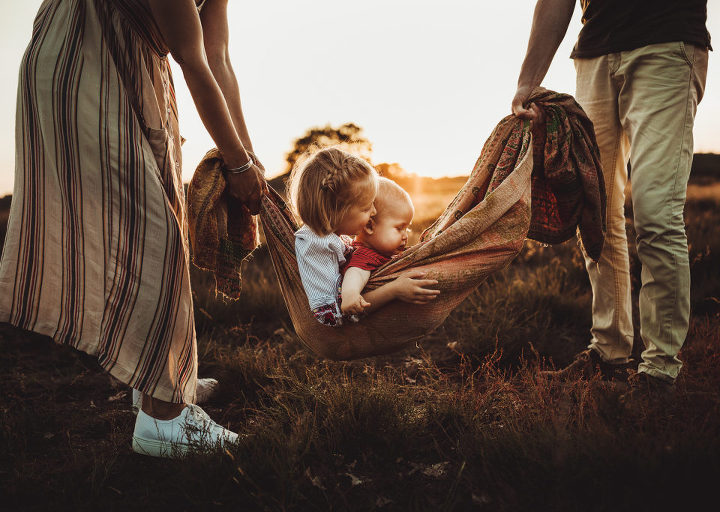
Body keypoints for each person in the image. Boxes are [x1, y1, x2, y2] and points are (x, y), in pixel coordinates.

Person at [0, 0, 265, 457]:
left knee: (158, 226)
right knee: (155, 235)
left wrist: (247, 154)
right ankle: (163, 421)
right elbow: (190, 56)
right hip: (82, 63)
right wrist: (236, 163)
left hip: (134, 69)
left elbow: (217, 54)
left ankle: (158, 377)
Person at [513, 0, 720, 394]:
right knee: (594, 211)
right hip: (593, 51)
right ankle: (609, 352)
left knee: (656, 213)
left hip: (667, 46)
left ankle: (660, 369)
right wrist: (527, 81)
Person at [289, 148, 438, 328]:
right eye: (366, 208)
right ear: (338, 211)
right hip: (338, 327)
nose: (373, 212)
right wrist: (394, 290)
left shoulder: (332, 237)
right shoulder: (317, 246)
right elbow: (334, 314)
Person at [340, 177, 414, 316]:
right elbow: (355, 274)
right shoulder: (364, 256)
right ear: (369, 225)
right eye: (399, 228)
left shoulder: (380, 250)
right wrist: (350, 295)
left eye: (407, 229)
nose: (405, 236)